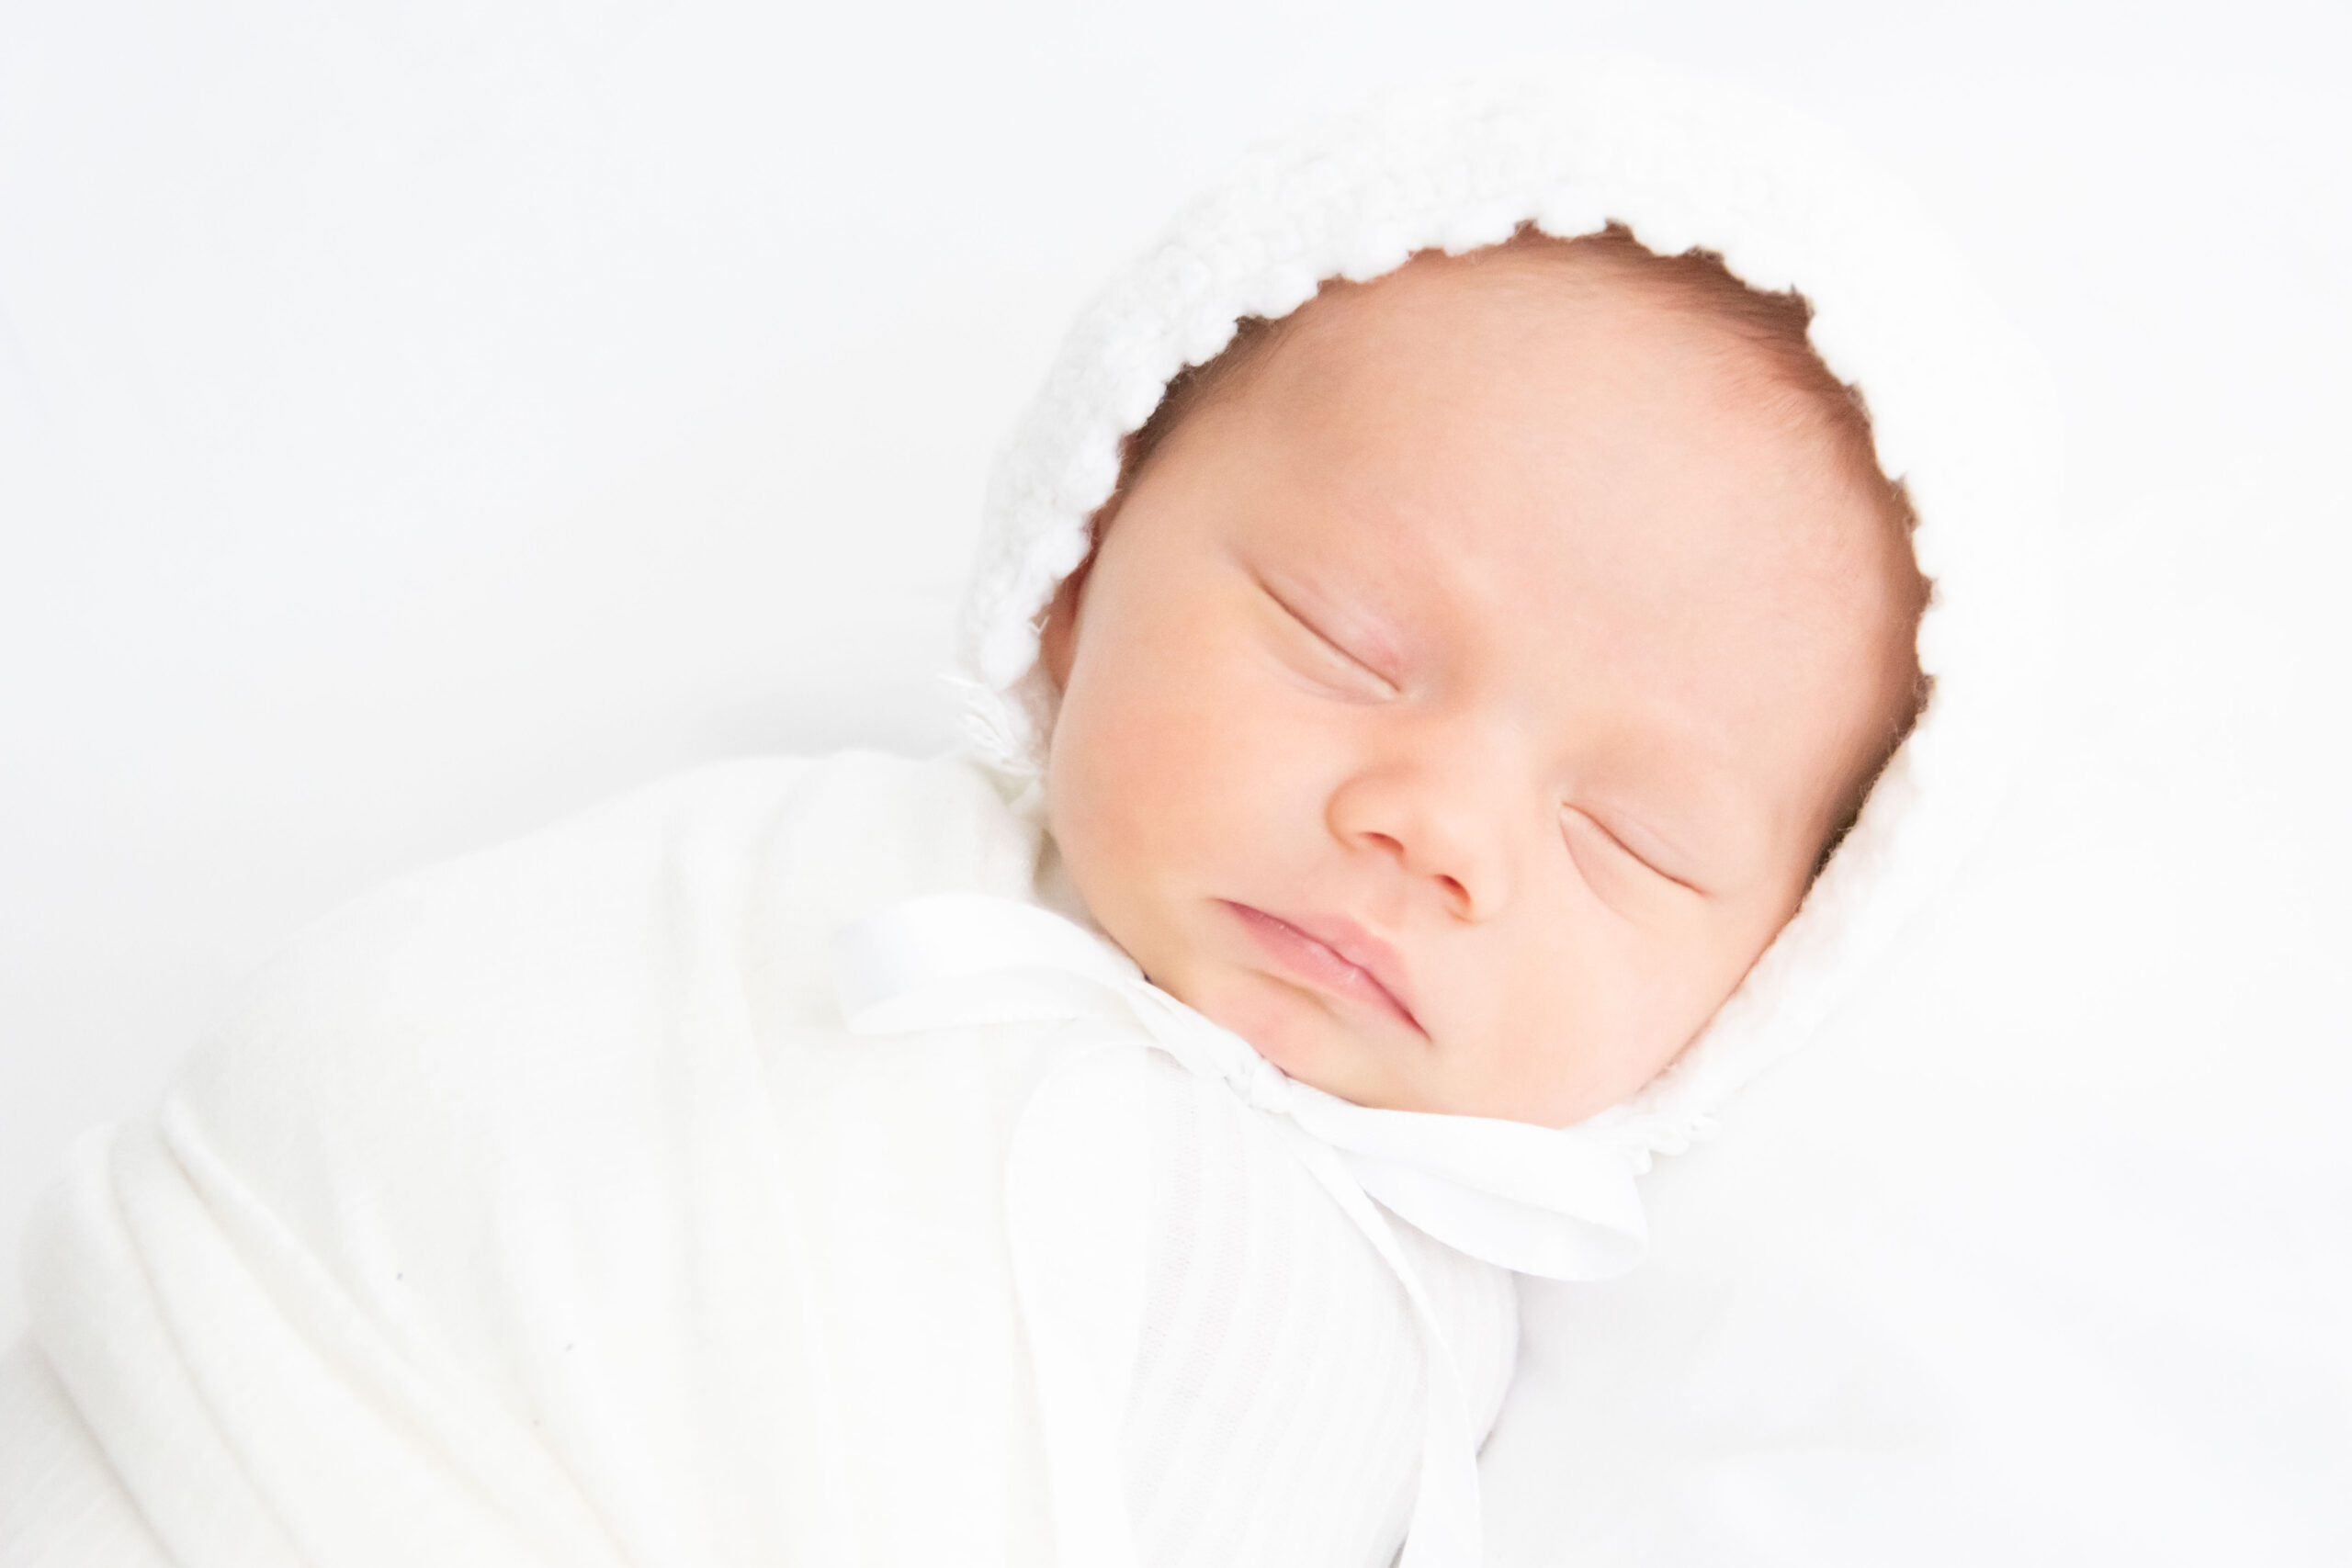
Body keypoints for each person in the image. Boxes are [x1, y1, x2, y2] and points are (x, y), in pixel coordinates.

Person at [0, 63, 2049, 1568]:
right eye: (1343, 640)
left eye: (1627, 834)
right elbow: (364, 1122)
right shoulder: (772, 899)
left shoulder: (1472, 1349)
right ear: (1076, 569)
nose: (1432, 824)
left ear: (1772, 963)